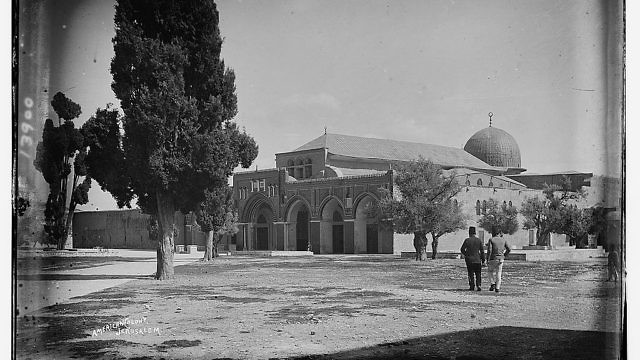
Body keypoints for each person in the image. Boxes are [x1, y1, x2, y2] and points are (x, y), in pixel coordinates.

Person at [460, 226, 485, 291]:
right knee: (478, 273)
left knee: (470, 273)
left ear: (469, 233)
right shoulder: (479, 240)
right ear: (475, 232)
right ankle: (478, 285)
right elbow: (482, 251)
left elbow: (462, 249)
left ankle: (472, 286)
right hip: (477, 259)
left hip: (469, 260)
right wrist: (483, 260)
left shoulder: (467, 240)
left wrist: (466, 254)